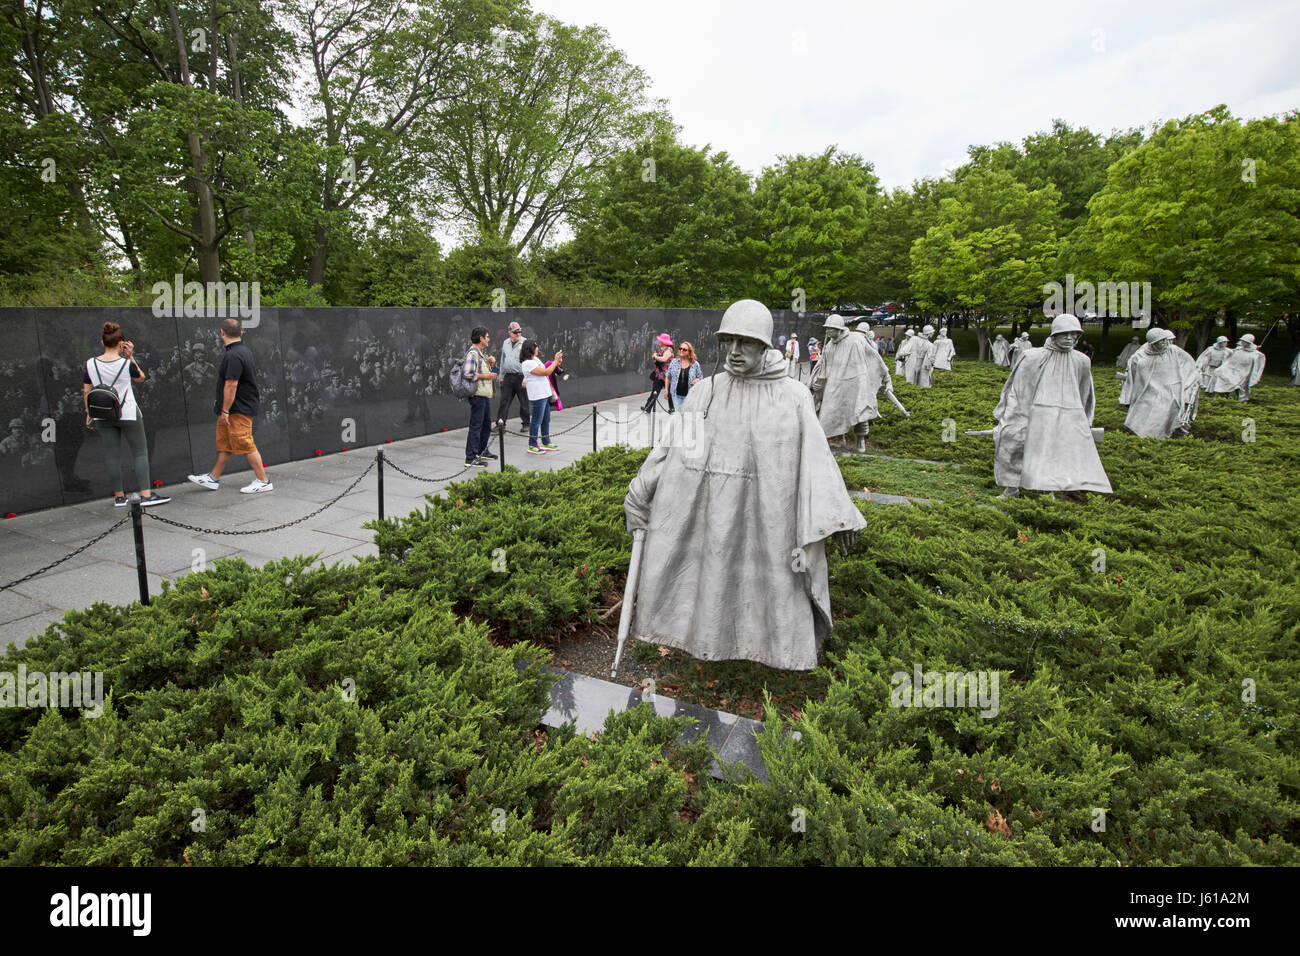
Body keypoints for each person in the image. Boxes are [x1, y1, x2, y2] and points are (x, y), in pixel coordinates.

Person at [622, 300, 865, 671]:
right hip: (711, 515)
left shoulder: (793, 397)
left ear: (765, 345)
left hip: (770, 519)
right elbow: (670, 449)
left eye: (746, 343)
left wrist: (838, 515)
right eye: (729, 342)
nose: (735, 352)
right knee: (711, 579)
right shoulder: (707, 393)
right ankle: (707, 647)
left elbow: (817, 461)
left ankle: (771, 653)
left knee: (770, 585)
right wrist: (640, 492)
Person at [991, 314, 1111, 501]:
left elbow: (1085, 394)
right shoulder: (1032, 356)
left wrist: (1084, 421)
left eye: (1074, 335)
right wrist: (1013, 416)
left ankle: (1048, 491)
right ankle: (1011, 489)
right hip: (1029, 413)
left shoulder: (1082, 361)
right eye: (1065, 334)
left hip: (1066, 416)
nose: (1070, 339)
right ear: (1055, 335)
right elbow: (1019, 389)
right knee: (1012, 445)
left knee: (1054, 454)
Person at [83, 322, 170, 507]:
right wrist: (130, 356)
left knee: (112, 455)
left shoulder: (90, 364)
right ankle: (146, 495)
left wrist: (89, 413)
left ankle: (119, 497)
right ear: (121, 343)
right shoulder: (125, 364)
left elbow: (86, 390)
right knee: (139, 452)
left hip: (102, 414)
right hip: (128, 412)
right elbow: (140, 377)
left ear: (102, 342)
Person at [187, 318, 272, 494]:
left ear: (222, 333)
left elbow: (231, 384)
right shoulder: (243, 351)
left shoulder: (233, 355)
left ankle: (263, 481)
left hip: (237, 409)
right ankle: (213, 478)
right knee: (225, 444)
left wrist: (225, 410)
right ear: (240, 333)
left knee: (245, 442)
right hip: (233, 408)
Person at [810, 315, 875, 452]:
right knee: (832, 411)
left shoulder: (855, 341)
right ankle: (839, 439)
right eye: (826, 329)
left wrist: (885, 379)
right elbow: (824, 365)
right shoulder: (829, 345)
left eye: (830, 329)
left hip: (855, 383)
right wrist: (819, 383)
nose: (827, 332)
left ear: (839, 329)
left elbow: (871, 359)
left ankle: (860, 440)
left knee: (860, 413)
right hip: (834, 384)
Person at [1120, 328, 1199, 438]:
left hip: (1172, 389)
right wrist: (1129, 396)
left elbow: (1189, 365)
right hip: (1150, 390)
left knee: (1171, 405)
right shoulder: (1140, 356)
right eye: (1160, 341)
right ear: (1153, 344)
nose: (1164, 343)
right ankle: (1149, 435)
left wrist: (1188, 383)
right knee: (1147, 408)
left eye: (1164, 340)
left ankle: (1170, 433)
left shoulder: (1174, 351)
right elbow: (1133, 377)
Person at [461, 326, 498, 466]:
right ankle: (470, 457)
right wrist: (486, 375)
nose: (489, 339)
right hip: (477, 395)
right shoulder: (473, 353)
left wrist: (490, 364)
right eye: (487, 336)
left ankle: (482, 451)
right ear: (481, 338)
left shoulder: (480, 353)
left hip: (484, 395)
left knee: (486, 425)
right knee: (476, 426)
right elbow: (467, 373)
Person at [520, 339, 563, 454]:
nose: (538, 348)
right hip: (537, 395)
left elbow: (546, 369)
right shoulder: (527, 363)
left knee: (545, 420)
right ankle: (532, 445)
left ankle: (546, 442)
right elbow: (545, 372)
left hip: (544, 394)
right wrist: (555, 361)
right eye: (536, 346)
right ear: (531, 349)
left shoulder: (535, 359)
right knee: (536, 421)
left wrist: (556, 362)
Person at [1207, 334, 1266, 402]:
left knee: (1240, 383)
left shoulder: (1255, 355)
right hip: (1233, 370)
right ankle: (1219, 393)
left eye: (1244, 341)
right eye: (1242, 341)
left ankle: (1242, 399)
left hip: (1243, 374)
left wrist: (1255, 349)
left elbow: (1257, 367)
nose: (1242, 342)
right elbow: (1230, 355)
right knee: (1218, 372)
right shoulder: (1238, 350)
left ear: (1249, 343)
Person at [494, 321, 530, 434]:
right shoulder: (505, 343)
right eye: (515, 332)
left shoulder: (525, 342)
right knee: (504, 400)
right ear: (509, 332)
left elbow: (529, 360)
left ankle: (526, 424)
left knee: (523, 401)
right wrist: (501, 375)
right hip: (508, 376)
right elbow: (503, 360)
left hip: (521, 376)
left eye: (519, 331)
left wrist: (527, 377)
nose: (518, 333)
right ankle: (500, 424)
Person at [664, 341, 702, 411]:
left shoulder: (695, 364)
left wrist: (697, 380)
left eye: (684, 349)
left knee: (687, 416)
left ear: (689, 352)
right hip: (676, 395)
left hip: (690, 396)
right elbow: (668, 376)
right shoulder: (674, 362)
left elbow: (700, 377)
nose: (681, 350)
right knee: (680, 415)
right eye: (680, 348)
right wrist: (666, 390)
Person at [643, 333, 674, 412]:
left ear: (663, 341)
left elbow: (664, 359)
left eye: (660, 340)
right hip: (659, 374)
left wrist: (655, 356)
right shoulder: (660, 349)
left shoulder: (669, 350)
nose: (658, 341)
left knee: (670, 392)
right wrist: (655, 356)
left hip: (667, 375)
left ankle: (672, 408)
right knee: (655, 391)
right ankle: (648, 407)